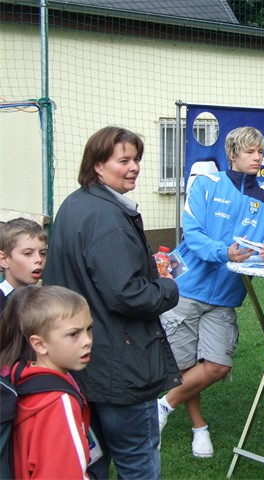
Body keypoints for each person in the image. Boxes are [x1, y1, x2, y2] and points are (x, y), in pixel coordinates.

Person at [42, 126, 181, 480]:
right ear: (98, 165)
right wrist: (167, 287)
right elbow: (126, 293)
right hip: (119, 364)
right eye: (124, 160)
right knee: (137, 460)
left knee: (91, 461)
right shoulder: (107, 217)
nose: (134, 167)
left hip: (81, 359)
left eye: (136, 159)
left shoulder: (76, 204)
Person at [157, 126, 264, 458]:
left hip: (226, 297)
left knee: (217, 366)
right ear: (233, 154)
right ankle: (199, 428)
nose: (257, 157)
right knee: (184, 367)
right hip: (185, 289)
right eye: (250, 152)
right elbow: (193, 234)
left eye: (260, 152)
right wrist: (223, 252)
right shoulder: (205, 184)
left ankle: (160, 408)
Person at [10, 285, 93, 479]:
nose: (87, 340)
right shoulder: (58, 402)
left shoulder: (23, 376)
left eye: (89, 329)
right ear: (39, 344)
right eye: (74, 334)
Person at [0, 218, 48, 374]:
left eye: (43, 253)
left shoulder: (45, 301)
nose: (38, 260)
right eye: (28, 253)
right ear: (4, 259)